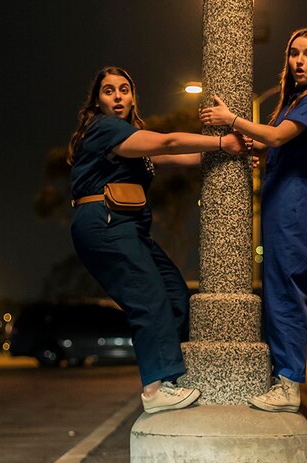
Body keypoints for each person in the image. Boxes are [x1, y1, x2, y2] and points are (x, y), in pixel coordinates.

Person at [68, 66, 247, 414]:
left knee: (176, 294)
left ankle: (172, 376)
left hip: (130, 226)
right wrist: (223, 140)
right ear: (98, 101)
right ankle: (154, 389)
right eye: (108, 91)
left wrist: (233, 152)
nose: (118, 96)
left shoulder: (133, 135)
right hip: (104, 221)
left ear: (133, 96)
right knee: (147, 297)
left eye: (124, 89)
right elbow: (167, 141)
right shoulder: (105, 128)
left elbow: (183, 155)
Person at [200, 28, 307, 412]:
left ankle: (289, 384)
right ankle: (283, 377)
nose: (299, 61)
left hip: (294, 206)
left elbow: (277, 138)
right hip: (283, 202)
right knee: (278, 294)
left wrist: (233, 119)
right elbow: (272, 142)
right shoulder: (296, 100)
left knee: (286, 297)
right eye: (293, 53)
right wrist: (251, 142)